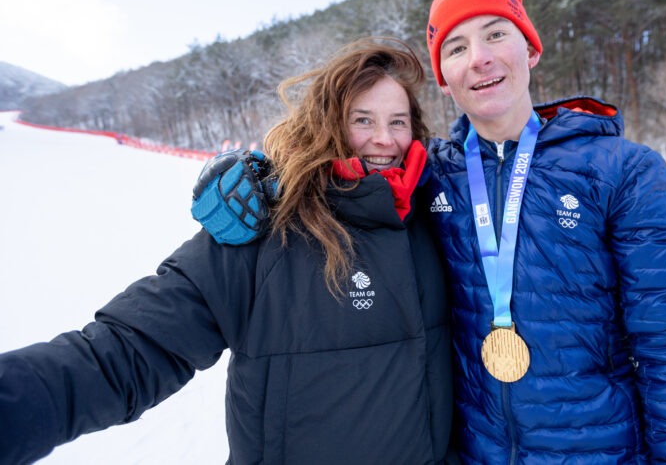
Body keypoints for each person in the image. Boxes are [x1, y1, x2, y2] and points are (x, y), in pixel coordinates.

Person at [197, 0, 666, 464]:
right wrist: (261, 181)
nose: (478, 56)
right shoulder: (426, 176)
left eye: (495, 34)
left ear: (530, 49)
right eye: (456, 47)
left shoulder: (624, 171)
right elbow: (340, 176)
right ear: (444, 80)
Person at [0, 39, 456, 465]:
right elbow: (132, 349)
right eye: (363, 120)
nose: (384, 140)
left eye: (398, 121)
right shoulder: (266, 227)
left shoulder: (436, 215)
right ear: (328, 125)